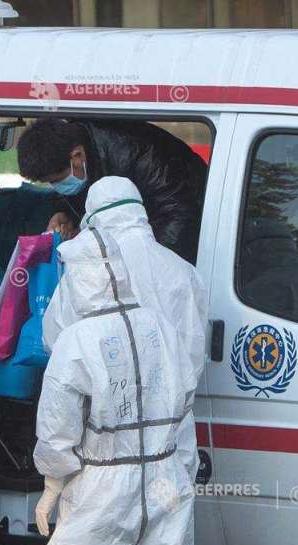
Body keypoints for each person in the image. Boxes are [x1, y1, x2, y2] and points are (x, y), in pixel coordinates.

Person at [33, 228, 194, 545]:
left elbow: (58, 422)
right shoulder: (161, 326)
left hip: (102, 490)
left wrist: (52, 481)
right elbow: (186, 395)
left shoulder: (77, 339)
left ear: (78, 279)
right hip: (166, 477)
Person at [43, 176, 206, 488]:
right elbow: (194, 353)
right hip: (170, 436)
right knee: (168, 515)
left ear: (94, 218)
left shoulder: (84, 276)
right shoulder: (185, 272)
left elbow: (56, 342)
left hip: (105, 440)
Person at [17, 118, 207, 263]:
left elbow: (179, 218)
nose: (57, 187)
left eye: (57, 181)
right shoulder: (70, 153)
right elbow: (78, 195)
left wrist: (139, 265)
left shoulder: (135, 153)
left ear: (77, 156)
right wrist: (64, 213)